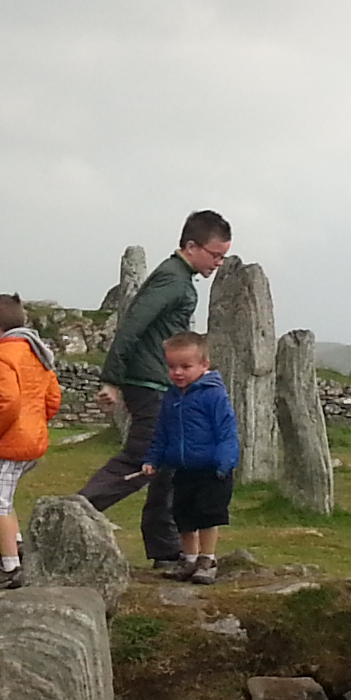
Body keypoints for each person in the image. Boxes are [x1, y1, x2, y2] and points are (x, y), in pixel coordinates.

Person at [80, 209, 234, 579]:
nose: (219, 262)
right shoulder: (172, 280)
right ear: (192, 246)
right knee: (141, 459)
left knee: (166, 467)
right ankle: (71, 512)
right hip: (149, 383)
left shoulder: (179, 278)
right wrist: (112, 378)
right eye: (215, 254)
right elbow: (133, 322)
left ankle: (168, 551)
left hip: (159, 383)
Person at [0, 292, 60, 591]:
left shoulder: (1, 355)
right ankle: (15, 546)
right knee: (4, 497)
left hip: (11, 441)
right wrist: (36, 421)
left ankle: (10, 566)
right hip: (34, 439)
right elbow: (53, 398)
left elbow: (6, 403)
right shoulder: (37, 352)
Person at [147, 330, 240, 585]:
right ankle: (189, 559)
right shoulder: (171, 397)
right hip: (183, 468)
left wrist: (225, 462)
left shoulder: (213, 394)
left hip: (212, 469)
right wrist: (153, 459)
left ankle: (207, 559)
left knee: (208, 516)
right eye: (172, 366)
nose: (177, 372)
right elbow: (162, 432)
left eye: (185, 366)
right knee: (183, 516)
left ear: (204, 365)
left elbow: (227, 430)